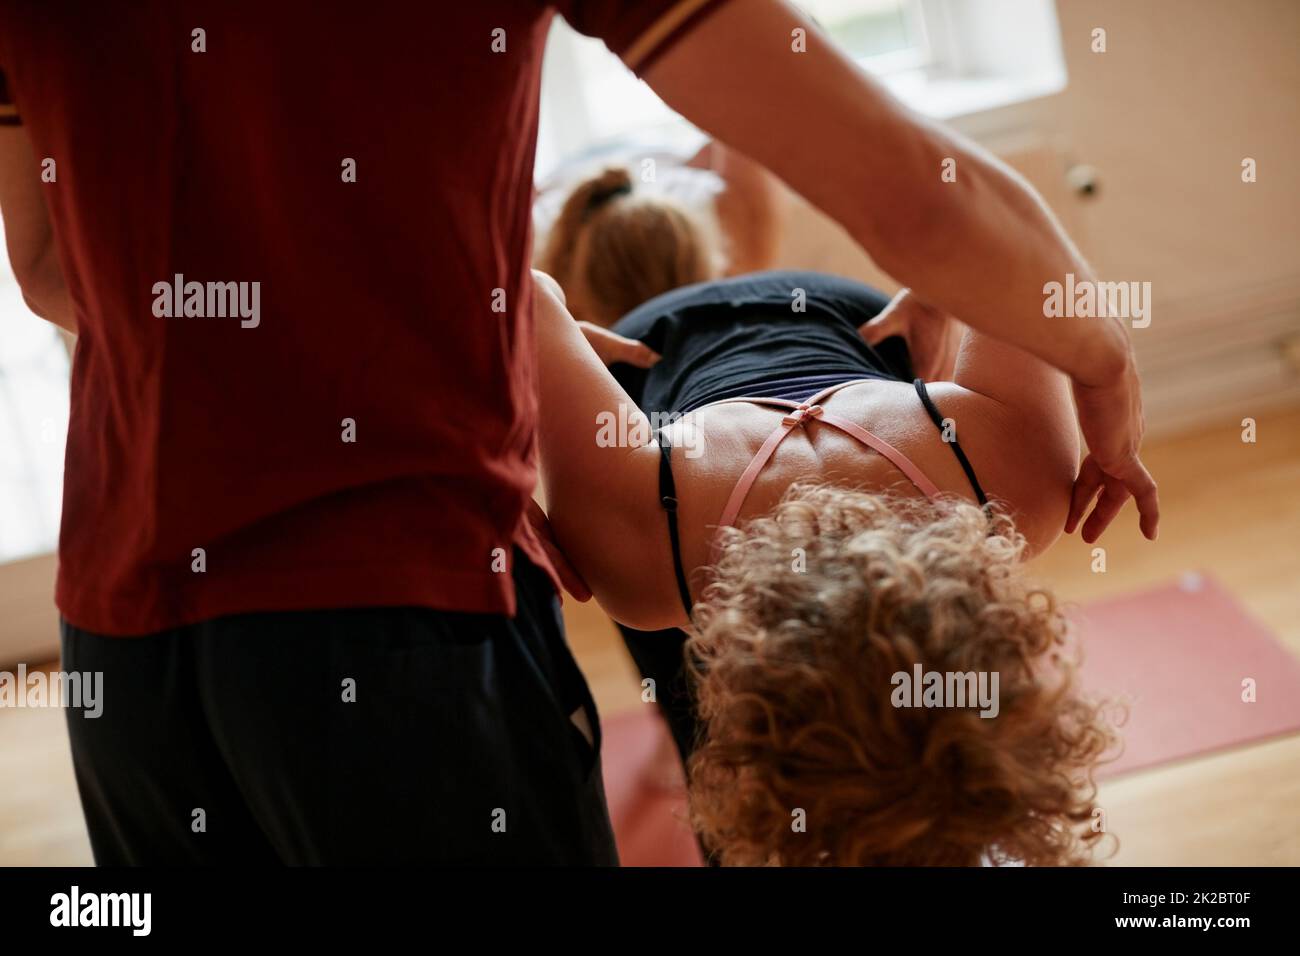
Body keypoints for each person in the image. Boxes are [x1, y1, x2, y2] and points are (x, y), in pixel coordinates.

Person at [0, 0, 1155, 865]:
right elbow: (916, 198)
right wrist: (1092, 356)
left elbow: (57, 274)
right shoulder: (668, 554)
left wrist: (1080, 357)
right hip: (397, 602)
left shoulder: (981, 483)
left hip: (130, 617)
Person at [533, 268, 1116, 864]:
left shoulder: (1017, 487)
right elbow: (523, 298)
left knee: (665, 641)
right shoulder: (641, 561)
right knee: (666, 633)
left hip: (844, 318)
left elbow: (1023, 266)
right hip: (663, 352)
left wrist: (950, 281)